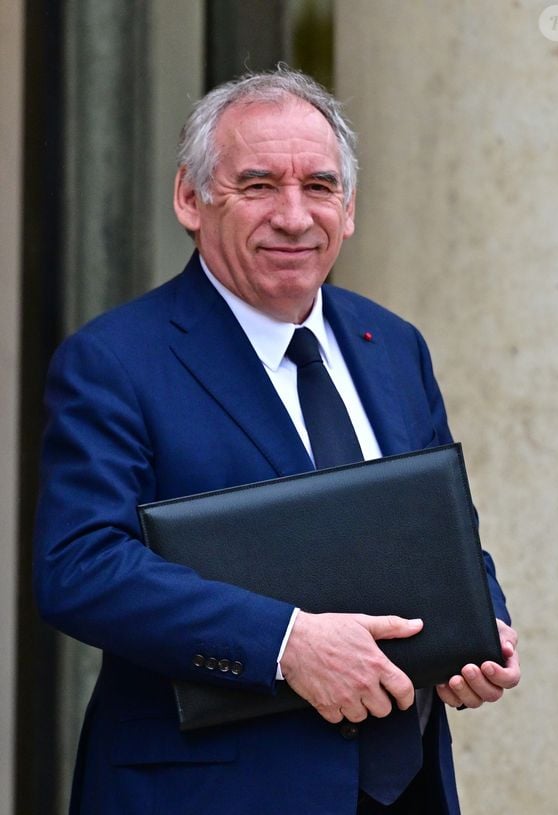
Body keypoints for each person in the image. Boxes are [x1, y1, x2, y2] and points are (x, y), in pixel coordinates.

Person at [34, 67, 520, 815]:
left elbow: (438, 526)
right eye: (258, 185)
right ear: (190, 200)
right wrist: (285, 644)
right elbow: (81, 567)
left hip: (406, 787)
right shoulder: (115, 360)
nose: (294, 216)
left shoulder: (392, 345)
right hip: (211, 792)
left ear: (349, 208)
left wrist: (480, 624)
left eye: (320, 187)